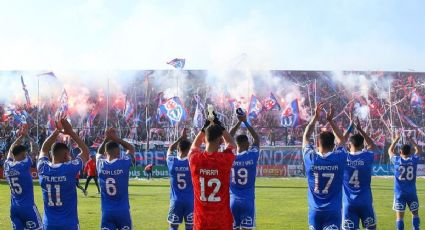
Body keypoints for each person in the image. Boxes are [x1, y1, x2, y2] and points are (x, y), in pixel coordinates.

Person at [37, 117, 90, 230]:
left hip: (49, 224)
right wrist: (71, 132)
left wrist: (57, 131)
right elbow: (85, 152)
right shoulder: (69, 169)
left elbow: (44, 148)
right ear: (66, 154)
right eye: (69, 154)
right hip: (68, 224)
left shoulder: (42, 168)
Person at [302, 103, 347, 230]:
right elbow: (342, 140)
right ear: (333, 145)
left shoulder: (311, 159)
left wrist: (316, 117)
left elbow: (306, 136)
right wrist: (330, 121)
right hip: (333, 211)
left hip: (315, 211)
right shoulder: (338, 159)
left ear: (317, 143)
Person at [189, 112, 236, 230]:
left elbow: (194, 146)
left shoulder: (194, 159)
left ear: (204, 140)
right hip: (222, 221)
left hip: (201, 222)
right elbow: (231, 144)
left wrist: (204, 127)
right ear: (220, 141)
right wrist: (220, 125)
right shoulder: (225, 159)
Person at [334, 117, 378, 229]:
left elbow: (341, 141)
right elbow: (372, 145)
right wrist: (360, 129)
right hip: (366, 202)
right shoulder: (367, 156)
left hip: (349, 204)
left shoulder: (343, 157)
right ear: (363, 145)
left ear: (349, 145)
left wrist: (350, 128)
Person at [4, 126, 42, 230]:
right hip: (28, 207)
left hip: (14, 208)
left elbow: (11, 149)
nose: (26, 155)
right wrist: (27, 136)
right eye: (25, 154)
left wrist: (20, 137)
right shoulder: (24, 164)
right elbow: (35, 149)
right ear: (22, 154)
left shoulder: (7, 165)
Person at [97, 128, 135, 230]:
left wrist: (106, 139)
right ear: (118, 152)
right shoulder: (124, 163)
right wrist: (117, 139)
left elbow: (98, 153)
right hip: (123, 211)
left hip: (107, 212)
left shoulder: (100, 164)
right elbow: (131, 149)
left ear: (106, 152)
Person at [229, 113, 260, 230]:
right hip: (247, 201)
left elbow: (229, 135)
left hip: (232, 201)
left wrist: (238, 122)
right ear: (246, 143)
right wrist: (245, 122)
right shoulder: (252, 155)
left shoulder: (229, 157)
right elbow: (257, 139)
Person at [388, 132, 421, 230]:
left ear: (400, 152)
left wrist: (396, 139)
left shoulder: (397, 160)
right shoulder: (413, 160)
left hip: (399, 194)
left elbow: (390, 150)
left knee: (399, 218)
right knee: (415, 214)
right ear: (410, 152)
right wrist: (412, 141)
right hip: (411, 192)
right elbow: (418, 150)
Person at [166, 128, 194, 230]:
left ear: (179, 149)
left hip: (175, 201)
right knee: (190, 227)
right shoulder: (192, 163)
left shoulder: (172, 162)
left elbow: (170, 149)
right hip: (190, 201)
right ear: (188, 150)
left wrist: (180, 138)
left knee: (173, 227)